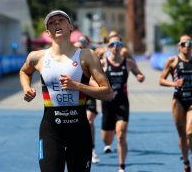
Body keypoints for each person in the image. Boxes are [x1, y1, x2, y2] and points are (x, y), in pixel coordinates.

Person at [19, 10, 113, 172]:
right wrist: (27, 87)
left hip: (79, 129)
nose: (57, 23)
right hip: (51, 129)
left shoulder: (86, 55)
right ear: (47, 32)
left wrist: (77, 86)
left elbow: (108, 93)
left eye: (61, 20)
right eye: (52, 22)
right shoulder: (37, 57)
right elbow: (24, 72)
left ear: (70, 26)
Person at [159, 35, 192, 172]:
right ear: (179, 45)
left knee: (190, 132)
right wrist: (173, 83)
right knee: (182, 135)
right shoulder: (173, 61)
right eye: (183, 43)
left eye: (189, 43)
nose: (186, 46)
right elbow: (161, 80)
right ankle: (186, 163)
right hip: (178, 101)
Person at [100, 34, 145, 172]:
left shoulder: (128, 62)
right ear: (108, 47)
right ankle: (110, 134)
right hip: (107, 104)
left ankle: (121, 166)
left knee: (121, 135)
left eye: (118, 44)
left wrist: (140, 76)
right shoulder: (103, 63)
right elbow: (91, 75)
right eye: (112, 45)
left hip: (122, 103)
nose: (115, 47)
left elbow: (139, 73)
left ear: (122, 46)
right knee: (107, 140)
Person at [74, 35, 100, 164]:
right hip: (75, 95)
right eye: (77, 46)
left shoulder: (90, 59)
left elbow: (97, 77)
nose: (79, 48)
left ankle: (92, 149)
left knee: (89, 121)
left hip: (89, 94)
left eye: (82, 45)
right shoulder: (69, 59)